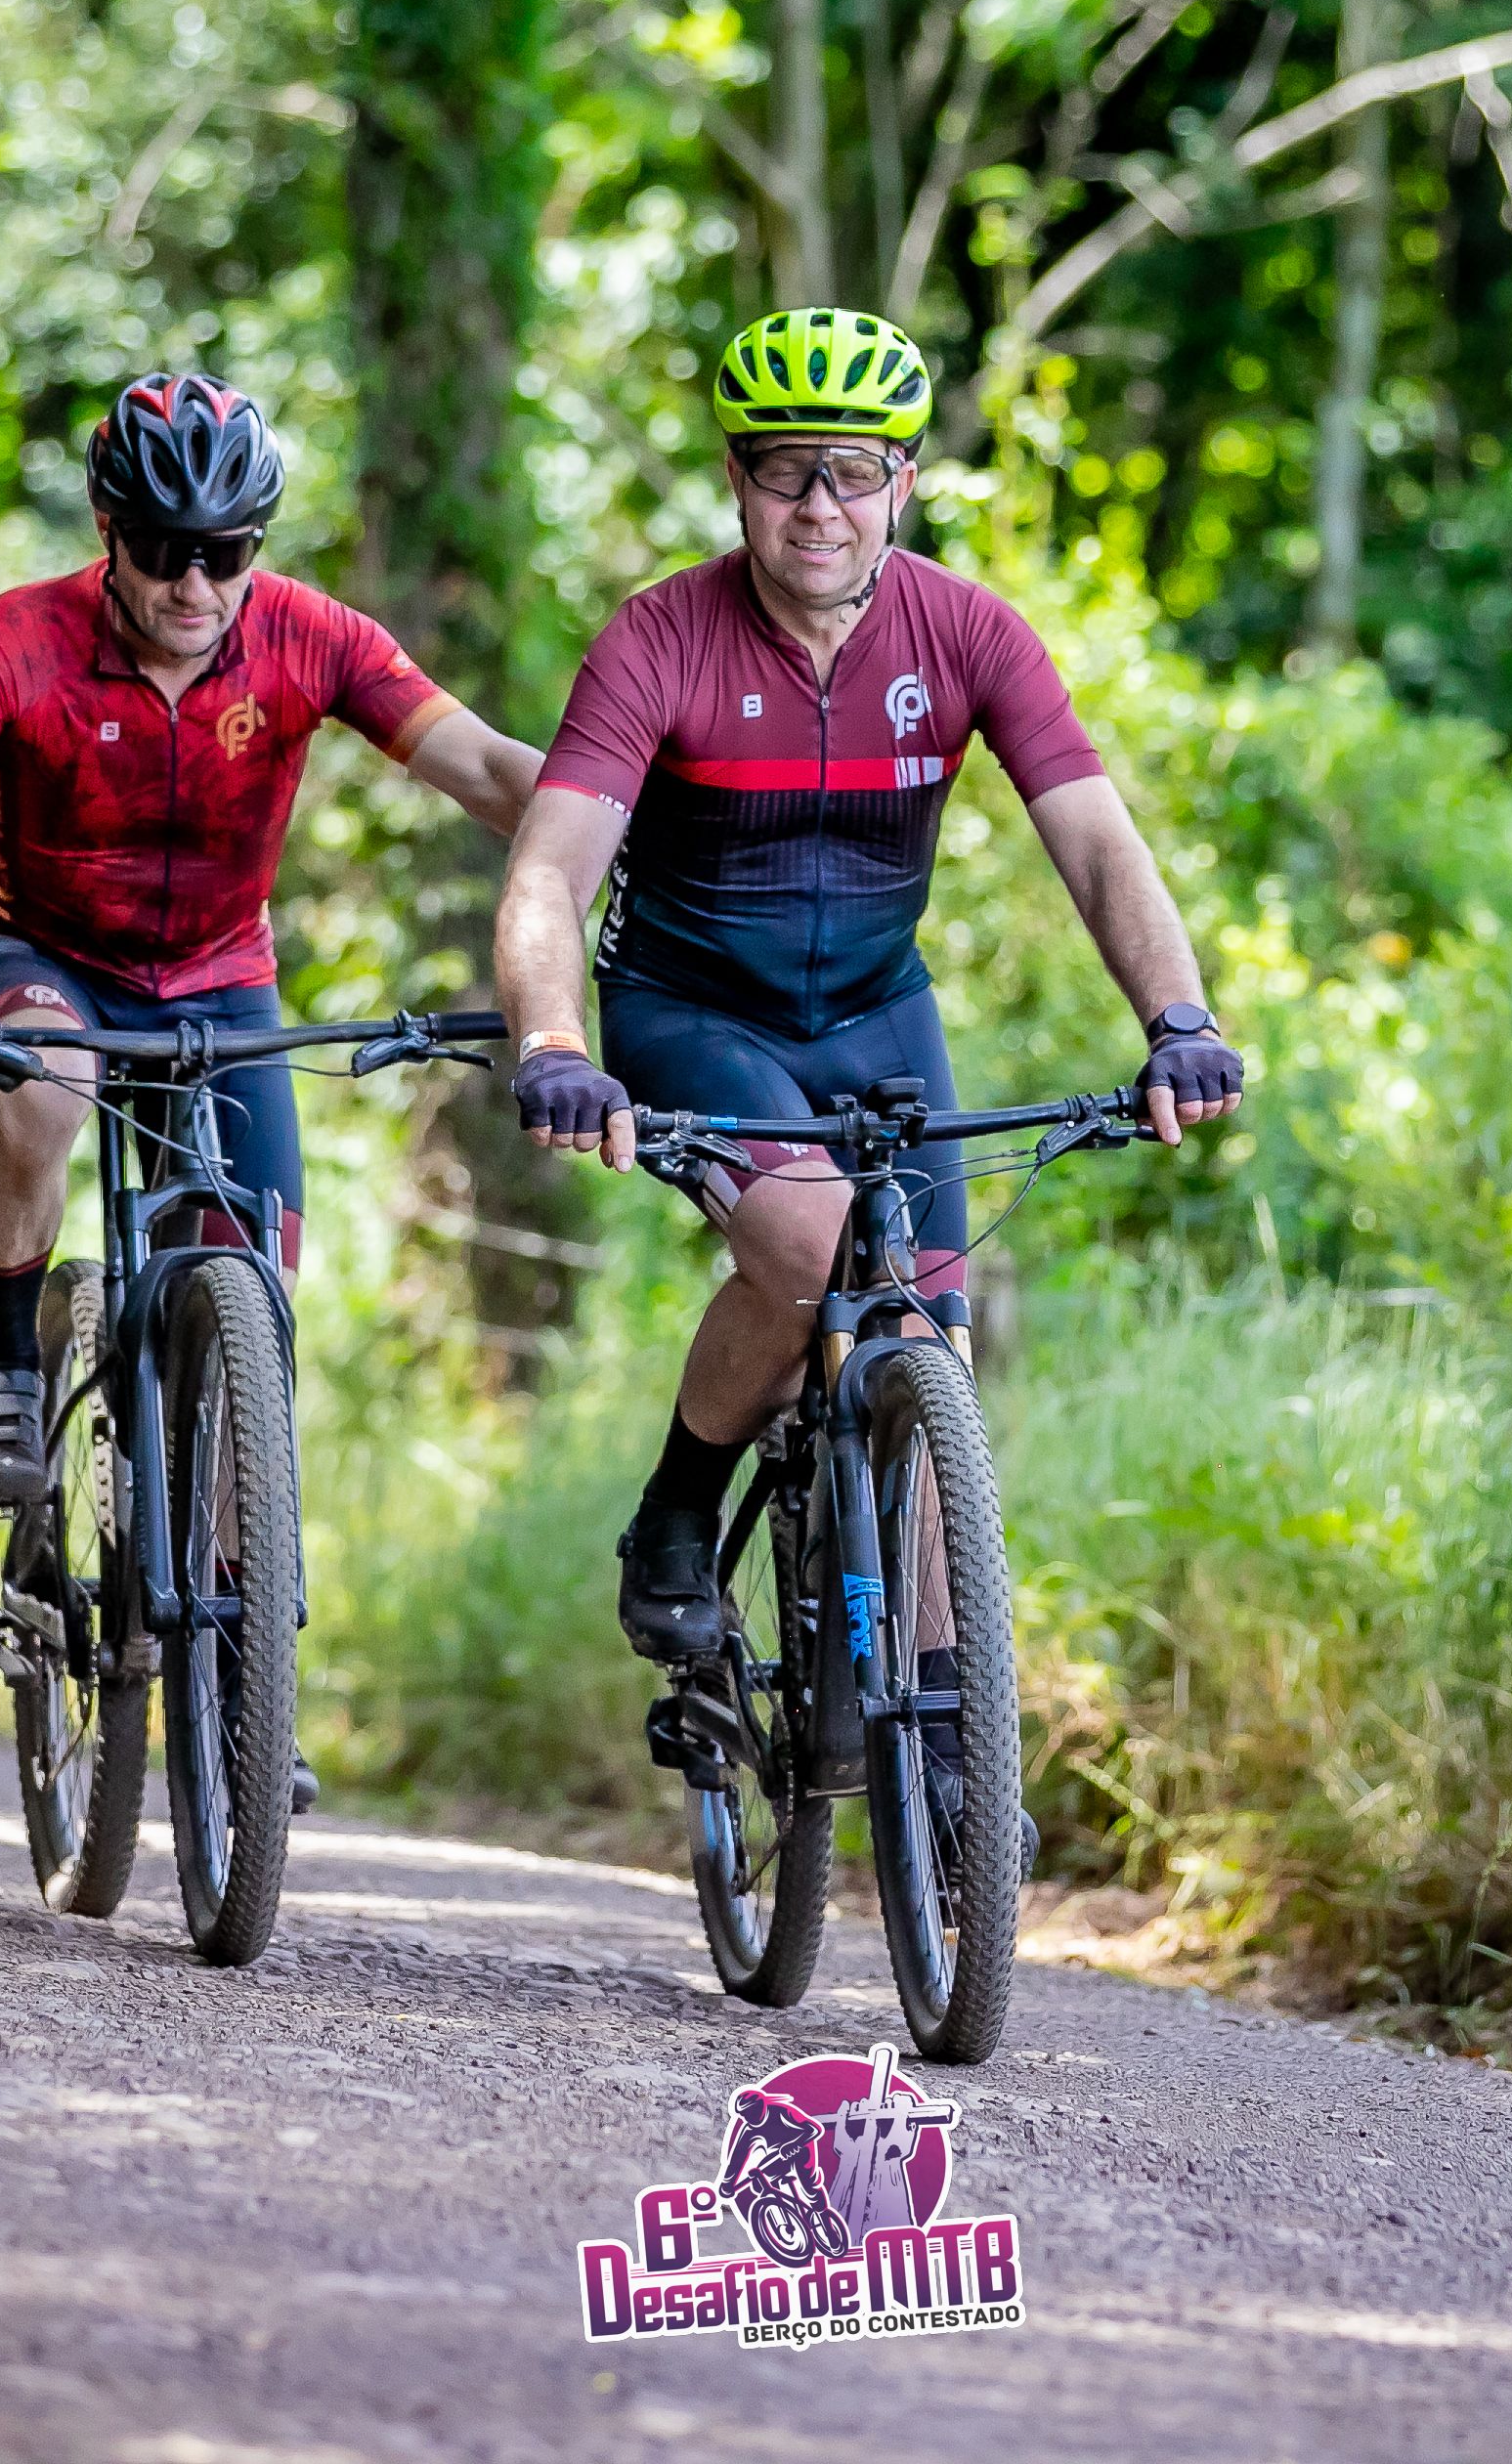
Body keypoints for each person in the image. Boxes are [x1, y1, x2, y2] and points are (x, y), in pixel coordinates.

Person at [490, 307, 1247, 1678]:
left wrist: (1178, 1017)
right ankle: (678, 1509)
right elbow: (549, 872)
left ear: (904, 480)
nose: (819, 506)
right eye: (786, 470)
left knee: (930, 1339)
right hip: (691, 1013)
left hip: (879, 1016)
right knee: (810, 1248)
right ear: (738, 479)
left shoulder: (967, 633)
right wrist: (553, 1040)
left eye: (851, 470)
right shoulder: (660, 639)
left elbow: (1095, 842)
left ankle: (951, 1728)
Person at [0, 372, 540, 1515]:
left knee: (257, 1306)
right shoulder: (14, 641)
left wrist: (640, 842)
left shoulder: (309, 635)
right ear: (108, 530)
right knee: (49, 1087)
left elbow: (496, 773)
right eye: (165, 551)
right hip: (37, 952)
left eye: (227, 551)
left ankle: (221, 1581)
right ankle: (7, 1358)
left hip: (219, 975)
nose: (196, 584)